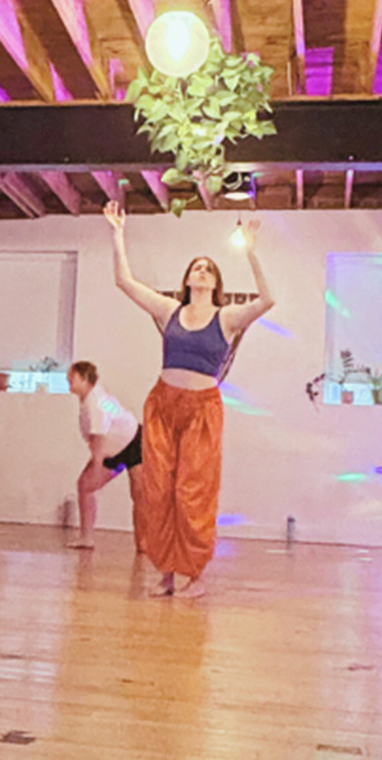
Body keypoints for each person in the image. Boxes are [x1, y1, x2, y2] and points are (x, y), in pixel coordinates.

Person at [102, 201, 273, 598]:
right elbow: (124, 281)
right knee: (158, 489)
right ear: (187, 279)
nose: (201, 270)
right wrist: (117, 233)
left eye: (208, 268)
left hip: (201, 410)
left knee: (192, 491)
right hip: (162, 405)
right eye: (196, 266)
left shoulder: (227, 317)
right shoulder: (169, 311)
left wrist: (251, 250)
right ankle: (166, 573)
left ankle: (195, 574)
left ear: (215, 282)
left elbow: (267, 300)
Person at [63, 361, 143, 550]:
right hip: (117, 448)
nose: (68, 380)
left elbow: (99, 437)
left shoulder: (95, 402)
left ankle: (144, 543)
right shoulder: (93, 397)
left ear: (84, 379)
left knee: (140, 495)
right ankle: (86, 538)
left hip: (134, 441)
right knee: (85, 486)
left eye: (72, 377)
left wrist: (97, 467)